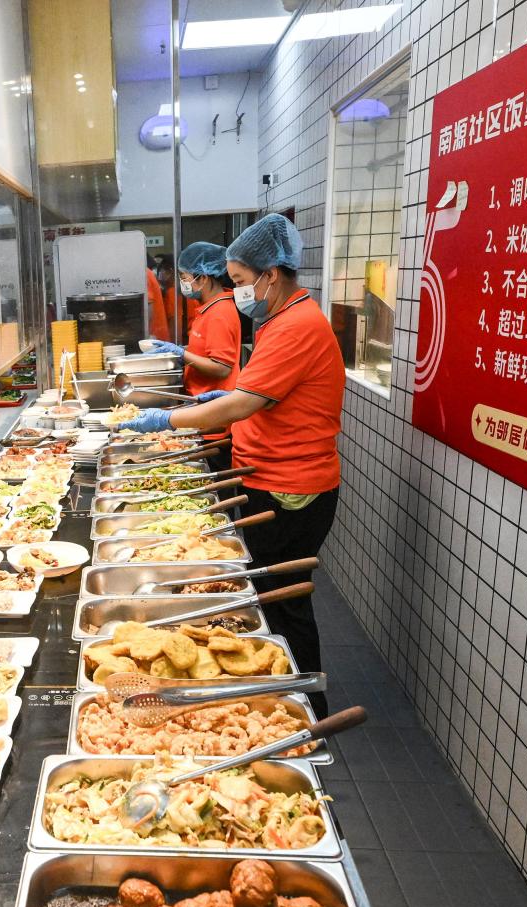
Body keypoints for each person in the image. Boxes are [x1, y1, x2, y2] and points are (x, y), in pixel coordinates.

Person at [121, 214, 345, 713]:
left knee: (283, 603)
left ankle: (306, 708)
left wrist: (167, 419)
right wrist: (227, 396)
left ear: (271, 274)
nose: (238, 291)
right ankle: (289, 695)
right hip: (274, 475)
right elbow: (260, 394)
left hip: (291, 486)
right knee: (273, 595)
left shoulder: (295, 325)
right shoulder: (283, 319)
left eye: (241, 280)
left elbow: (242, 405)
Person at [145, 242, 241, 471]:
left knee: (215, 476)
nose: (182, 284)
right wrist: (181, 352)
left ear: (203, 278)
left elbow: (222, 367)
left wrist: (182, 355)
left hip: (215, 419)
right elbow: (207, 350)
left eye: (184, 277)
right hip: (202, 412)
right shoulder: (208, 308)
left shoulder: (219, 313)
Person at [145, 260, 169, 342]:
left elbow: (148, 308)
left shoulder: (143, 273)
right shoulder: (145, 272)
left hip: (153, 337)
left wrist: (145, 335)